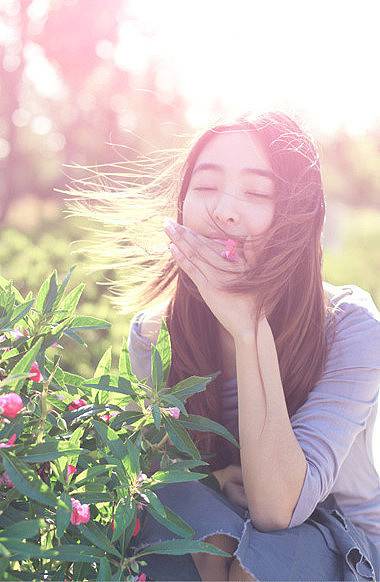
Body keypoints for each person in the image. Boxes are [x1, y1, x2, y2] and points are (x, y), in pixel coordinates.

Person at [66, 111, 380, 581]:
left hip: (340, 535)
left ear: (297, 217)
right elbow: (174, 486)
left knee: (261, 563)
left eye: (256, 192)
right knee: (178, 534)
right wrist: (217, 482)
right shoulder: (155, 337)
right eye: (206, 187)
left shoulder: (350, 327)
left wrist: (249, 325)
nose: (223, 211)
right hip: (219, 528)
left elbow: (278, 509)